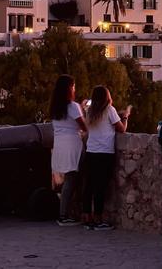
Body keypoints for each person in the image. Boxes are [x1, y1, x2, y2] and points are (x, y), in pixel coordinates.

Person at [80, 85, 129, 230]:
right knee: (100, 187)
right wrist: (125, 117)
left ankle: (87, 218)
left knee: (89, 186)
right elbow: (121, 129)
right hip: (104, 153)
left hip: (91, 152)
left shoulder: (90, 111)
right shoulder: (110, 110)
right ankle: (99, 219)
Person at [49, 74, 88, 226]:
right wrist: (83, 111)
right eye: (73, 86)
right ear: (70, 88)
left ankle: (66, 213)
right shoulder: (73, 106)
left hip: (60, 145)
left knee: (70, 179)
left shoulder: (54, 107)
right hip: (73, 145)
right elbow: (83, 126)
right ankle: (63, 215)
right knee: (73, 179)